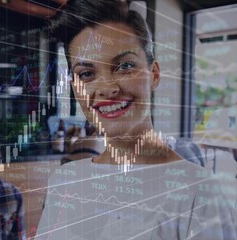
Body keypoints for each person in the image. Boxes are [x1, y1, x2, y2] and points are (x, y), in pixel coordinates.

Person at [35, 0, 237, 239]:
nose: (107, 88)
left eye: (124, 66)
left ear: (154, 74)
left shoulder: (199, 193)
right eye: (87, 73)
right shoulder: (64, 179)